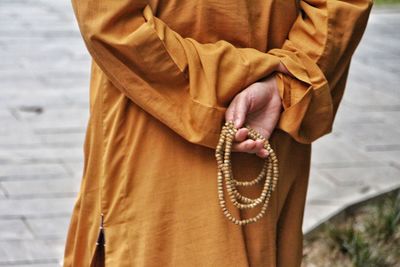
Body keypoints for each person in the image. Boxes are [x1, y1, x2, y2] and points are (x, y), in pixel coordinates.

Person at [63, 0, 373, 266]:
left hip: (199, 113)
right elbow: (113, 24)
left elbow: (110, 21)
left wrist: (282, 83)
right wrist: (283, 81)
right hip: (164, 122)